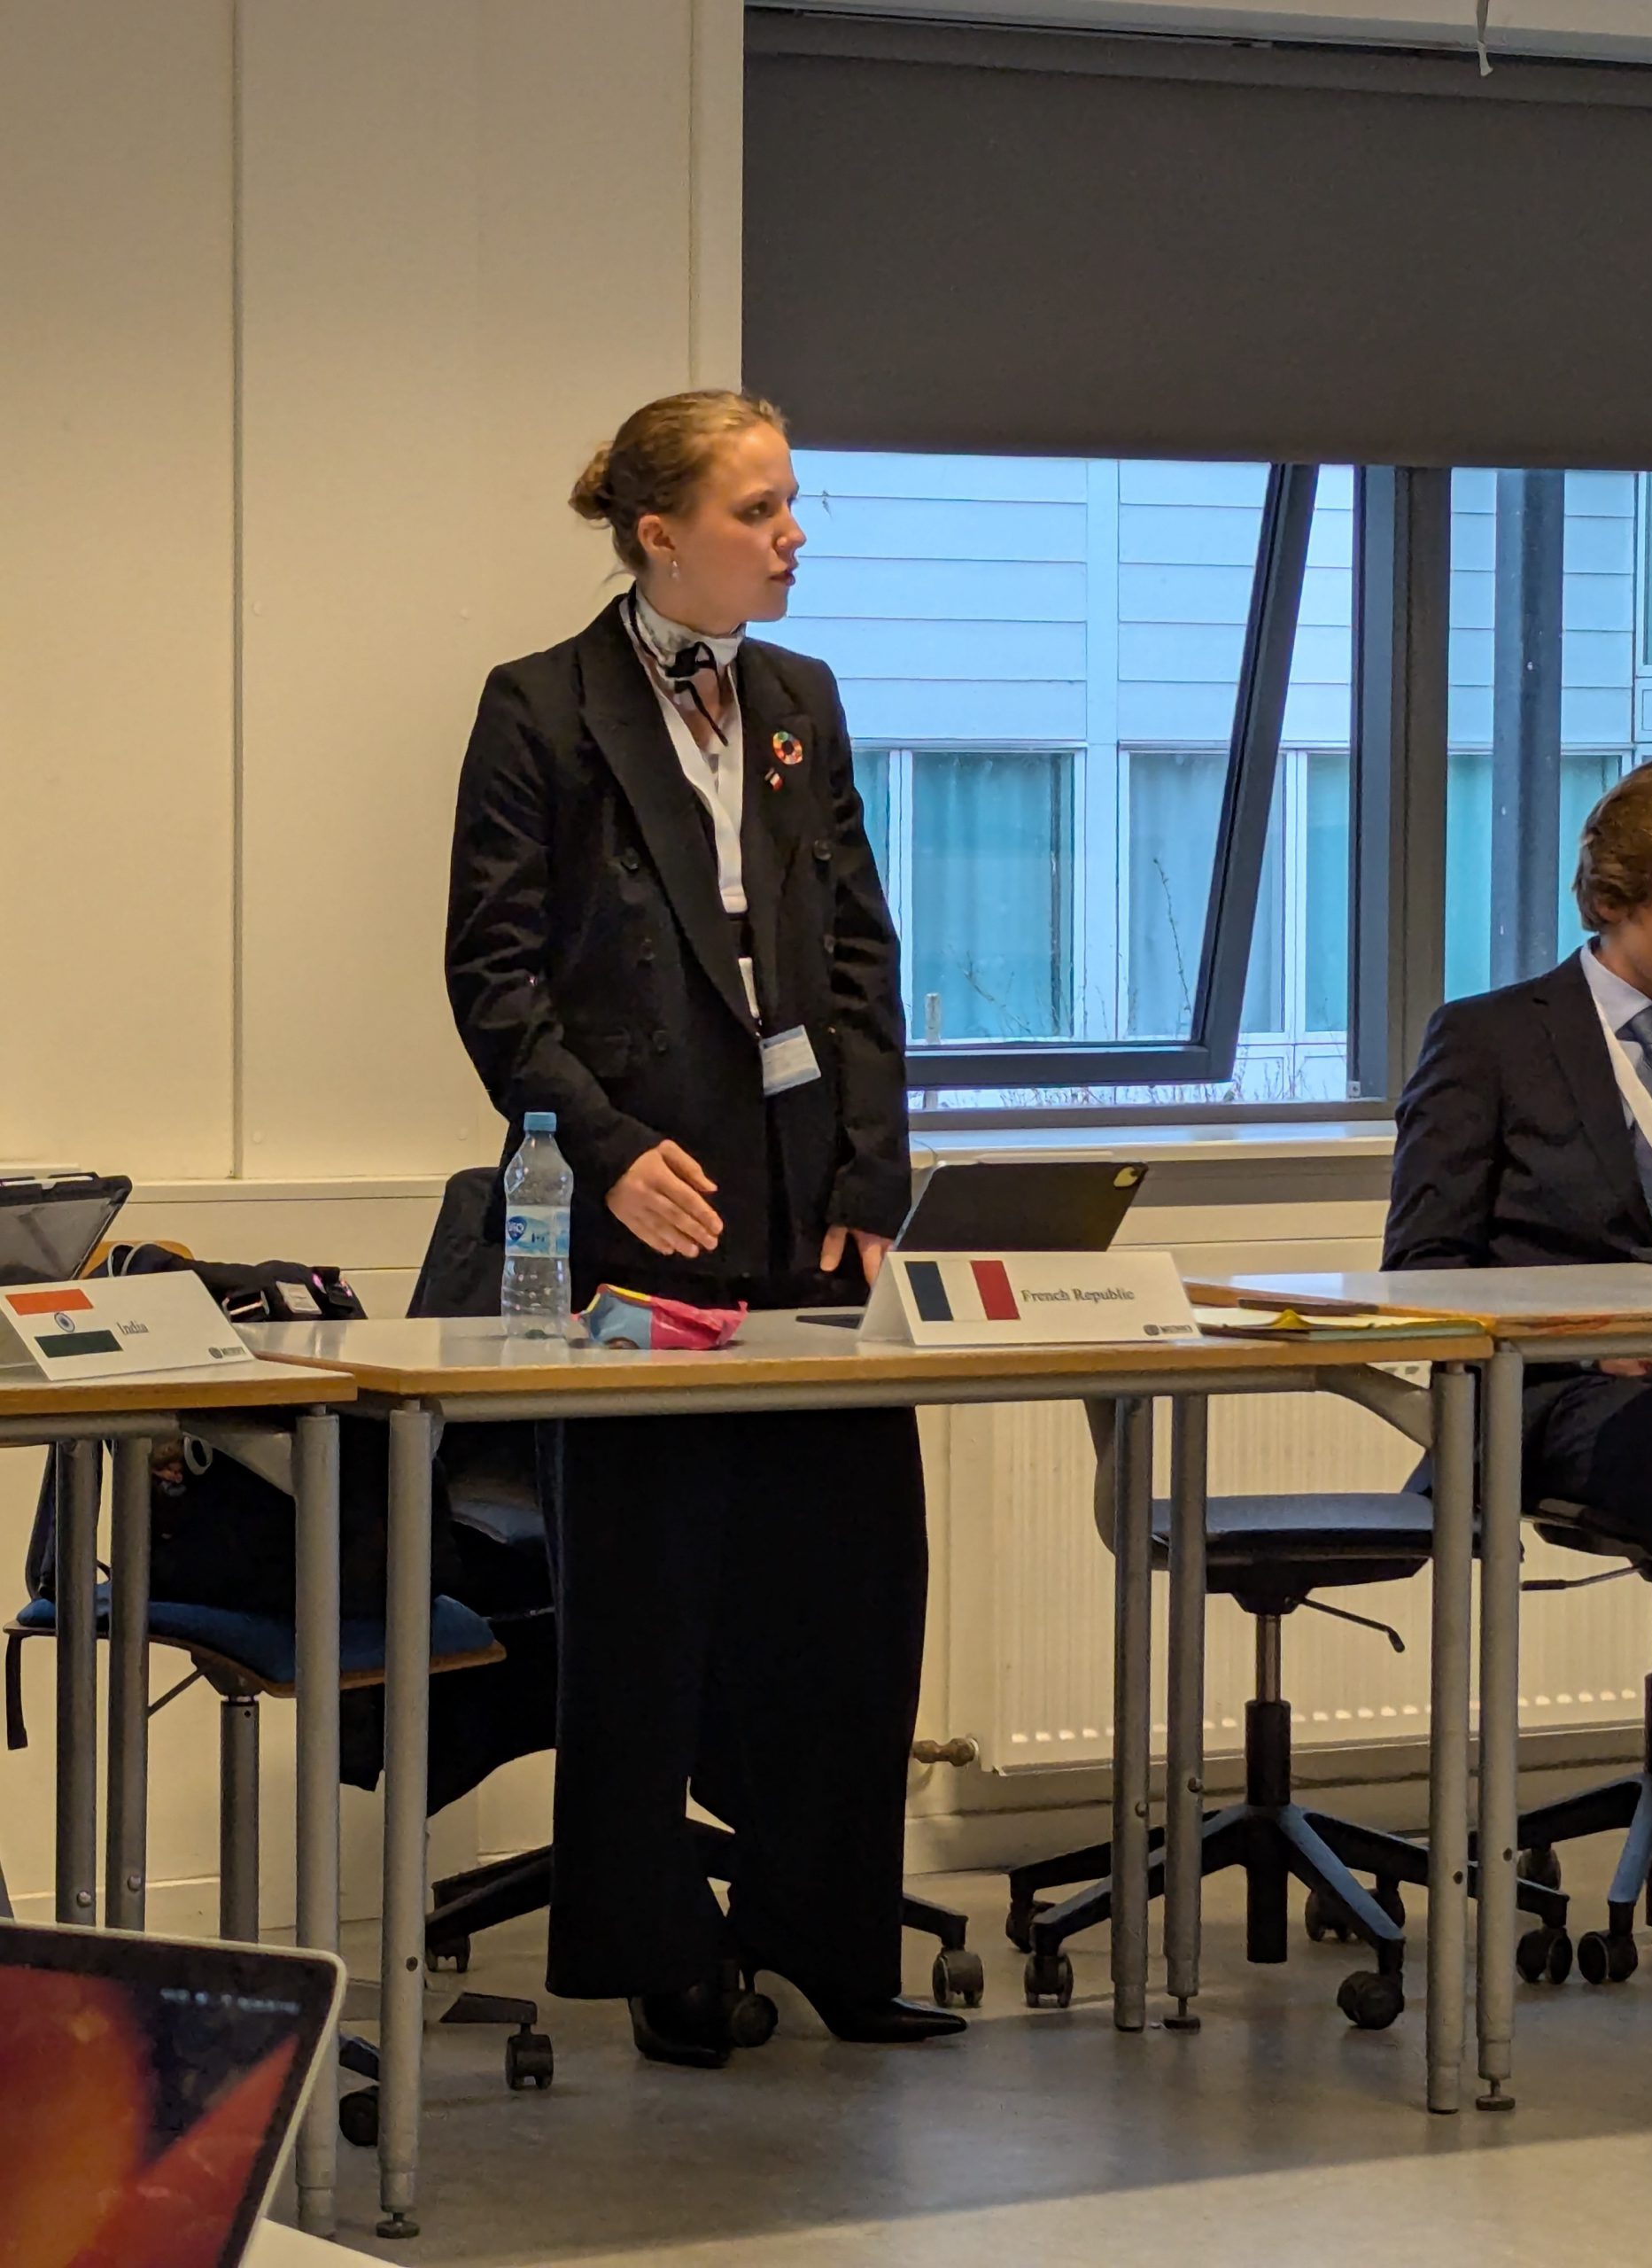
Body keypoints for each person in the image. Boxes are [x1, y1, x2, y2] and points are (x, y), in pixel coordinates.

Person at [444, 388, 963, 2065]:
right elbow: (495, 981)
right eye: (758, 509)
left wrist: (871, 1181)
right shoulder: (540, 708)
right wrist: (600, 1152)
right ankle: (659, 1949)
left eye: (793, 503)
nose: (791, 535)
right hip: (636, 1214)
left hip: (807, 1216)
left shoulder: (800, 697)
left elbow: (860, 956)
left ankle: (830, 1936)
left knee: (851, 1591)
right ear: (660, 535)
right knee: (649, 1608)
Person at [1384, 757, 1652, 1542]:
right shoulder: (1489, 1040)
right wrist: (1595, 1350)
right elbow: (1422, 1271)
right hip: (1560, 1385)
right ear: (1612, 901)